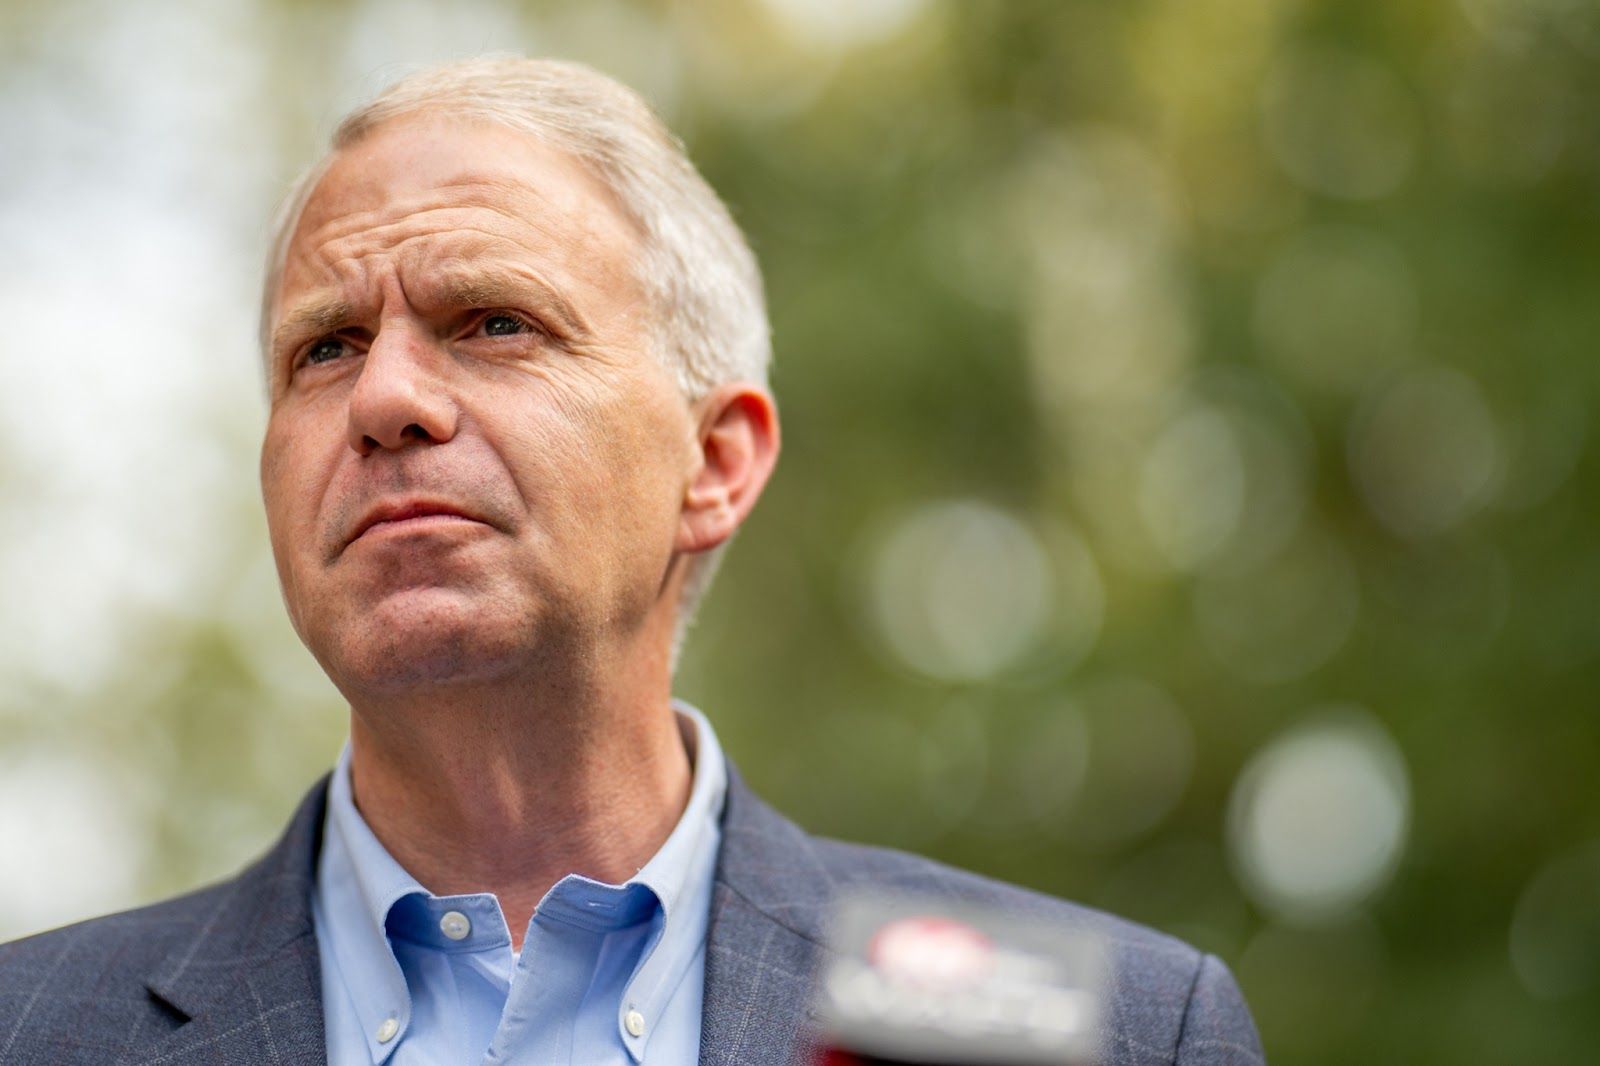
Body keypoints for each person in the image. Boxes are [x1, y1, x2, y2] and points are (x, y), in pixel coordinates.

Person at [0, 56, 1264, 1065]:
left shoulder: (1101, 1039)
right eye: (323, 349)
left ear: (713, 462)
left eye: (493, 322)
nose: (385, 396)